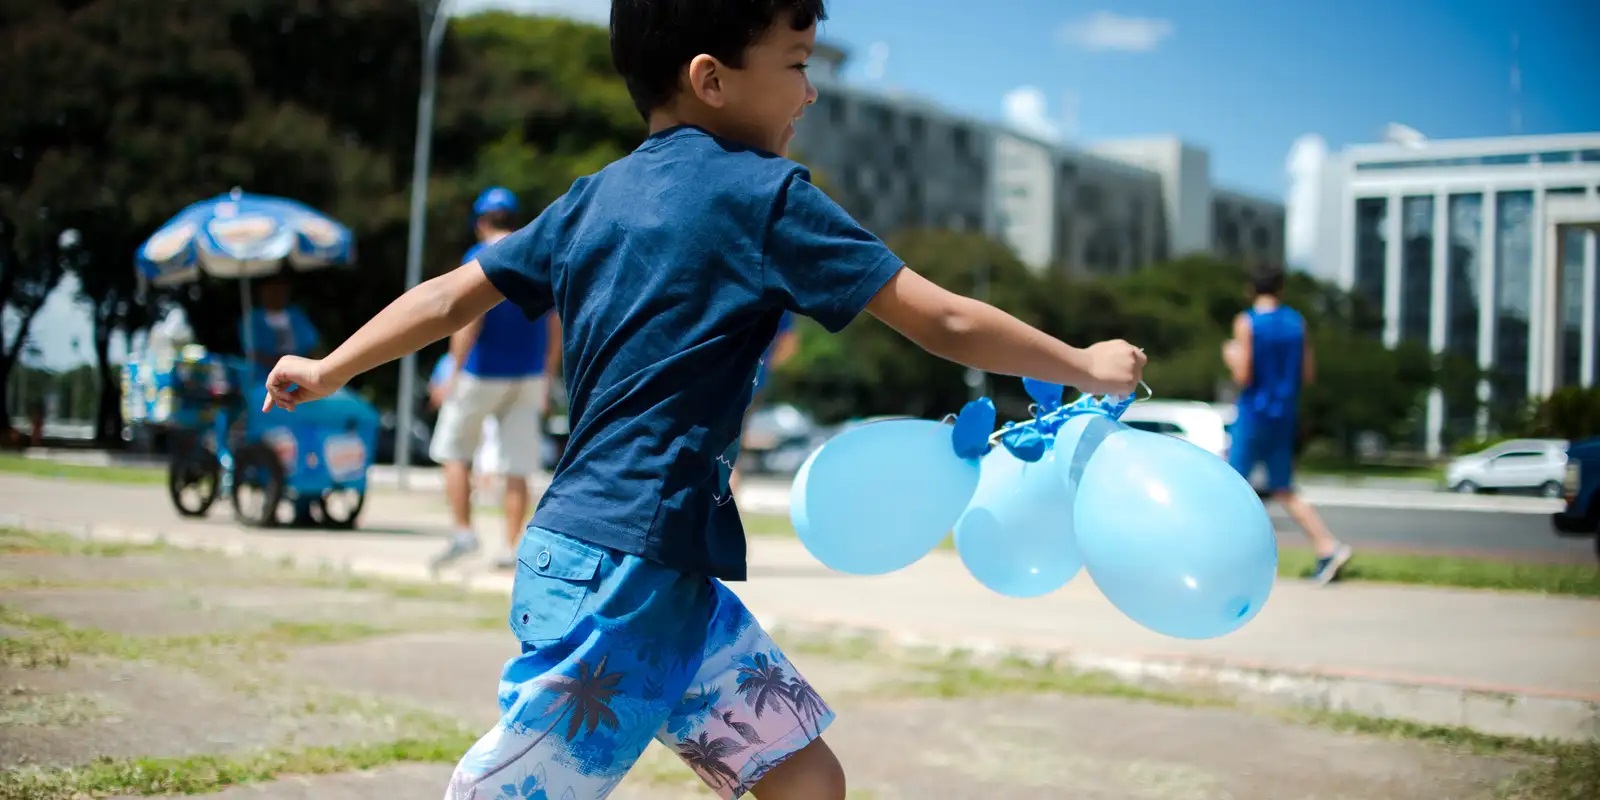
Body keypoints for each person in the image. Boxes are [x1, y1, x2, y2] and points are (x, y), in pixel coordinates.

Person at [259, 1, 1145, 796]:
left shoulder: (589, 198)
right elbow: (944, 321)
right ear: (712, 80)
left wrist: (333, 366)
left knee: (805, 779)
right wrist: (1082, 361)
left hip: (648, 564)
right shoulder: (767, 198)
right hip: (625, 569)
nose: (810, 93)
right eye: (797, 64)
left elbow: (453, 294)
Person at [427, 187, 563, 572]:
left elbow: (467, 320)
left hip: (480, 373)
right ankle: (510, 545)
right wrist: (548, 374)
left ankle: (463, 533)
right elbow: (554, 325)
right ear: (514, 220)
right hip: (528, 376)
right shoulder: (538, 258)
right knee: (518, 464)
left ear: (481, 223)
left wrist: (450, 373)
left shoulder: (478, 257)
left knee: (454, 451)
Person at [1223, 263, 1352, 586]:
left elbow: (1244, 375)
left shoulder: (1247, 322)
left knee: (1229, 484)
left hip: (1254, 412)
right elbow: (1307, 374)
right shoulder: (1297, 322)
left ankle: (1225, 560)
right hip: (1285, 413)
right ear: (1281, 289)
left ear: (1250, 289)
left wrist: (1231, 356)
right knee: (1284, 488)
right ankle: (1328, 546)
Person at [727, 310, 799, 495]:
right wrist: (765, 367)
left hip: (721, 375)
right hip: (754, 378)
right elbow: (788, 344)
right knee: (731, 448)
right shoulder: (778, 296)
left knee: (721, 447)